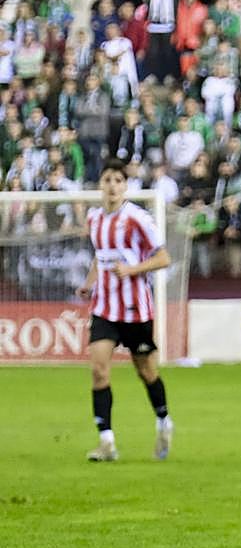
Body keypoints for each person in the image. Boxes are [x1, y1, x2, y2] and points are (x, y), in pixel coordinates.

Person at [75, 159, 173, 462]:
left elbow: (163, 258)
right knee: (99, 370)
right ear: (100, 185)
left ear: (125, 185)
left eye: (118, 180)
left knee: (146, 371)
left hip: (135, 310)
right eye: (107, 180)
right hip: (104, 307)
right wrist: (90, 283)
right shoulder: (94, 219)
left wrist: (132, 269)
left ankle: (163, 421)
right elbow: (99, 258)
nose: (113, 186)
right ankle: (106, 442)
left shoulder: (137, 219)